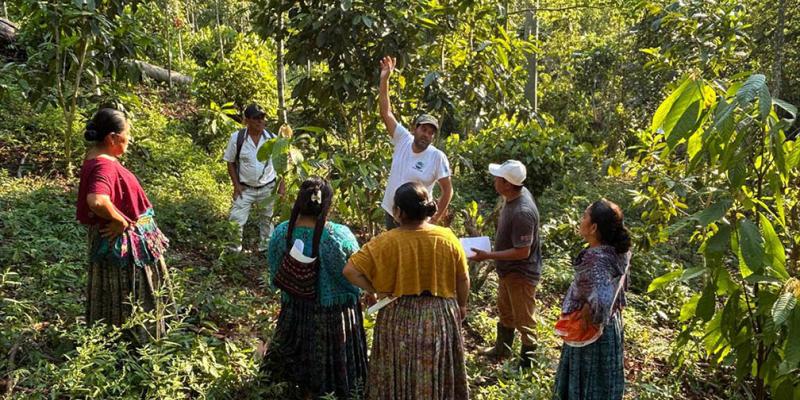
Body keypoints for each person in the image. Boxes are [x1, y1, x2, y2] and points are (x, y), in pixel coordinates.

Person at [343, 181, 470, 400]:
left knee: (397, 369)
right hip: (439, 315)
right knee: (435, 369)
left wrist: (374, 290)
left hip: (397, 315)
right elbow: (463, 277)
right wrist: (462, 305)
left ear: (399, 212)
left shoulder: (385, 241)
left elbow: (350, 271)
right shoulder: (447, 238)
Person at [263, 177, 368, 398]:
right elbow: (351, 274)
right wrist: (362, 291)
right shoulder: (337, 235)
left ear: (299, 201)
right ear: (327, 204)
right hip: (335, 317)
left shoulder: (282, 232)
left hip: (295, 308)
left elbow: (275, 271)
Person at [76, 108, 172, 342]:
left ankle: (112, 343)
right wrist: (120, 220)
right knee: (134, 294)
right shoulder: (105, 165)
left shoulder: (94, 159)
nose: (129, 140)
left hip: (113, 240)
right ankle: (138, 346)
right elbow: (97, 200)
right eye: (127, 135)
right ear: (112, 138)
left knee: (113, 295)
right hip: (122, 244)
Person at [553, 199, 631, 400]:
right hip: (610, 325)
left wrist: (590, 310)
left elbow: (602, 299)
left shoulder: (595, 258)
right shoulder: (618, 251)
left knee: (585, 382)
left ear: (594, 227)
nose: (581, 220)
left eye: (585, 216)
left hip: (590, 330)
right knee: (603, 384)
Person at [469, 160, 542, 368]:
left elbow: (523, 251)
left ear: (508, 184)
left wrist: (489, 255)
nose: (494, 180)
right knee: (506, 311)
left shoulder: (523, 212)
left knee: (524, 320)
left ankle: (527, 363)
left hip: (521, 273)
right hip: (508, 271)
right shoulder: (513, 195)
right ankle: (502, 349)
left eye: (498, 178)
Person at [378, 55, 453, 229]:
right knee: (393, 255)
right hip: (392, 212)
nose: (426, 135)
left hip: (416, 221)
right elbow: (385, 112)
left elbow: (447, 190)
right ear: (415, 128)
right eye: (424, 130)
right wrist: (384, 80)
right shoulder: (403, 139)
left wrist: (434, 219)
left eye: (431, 133)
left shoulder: (437, 157)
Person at [222, 103, 284, 253]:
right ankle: (233, 252)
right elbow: (230, 162)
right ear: (247, 120)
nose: (260, 121)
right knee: (236, 220)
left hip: (268, 187)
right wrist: (236, 185)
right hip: (245, 188)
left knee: (267, 221)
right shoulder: (238, 138)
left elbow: (281, 165)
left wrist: (282, 188)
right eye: (256, 118)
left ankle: (266, 250)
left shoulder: (273, 139)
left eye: (262, 117)